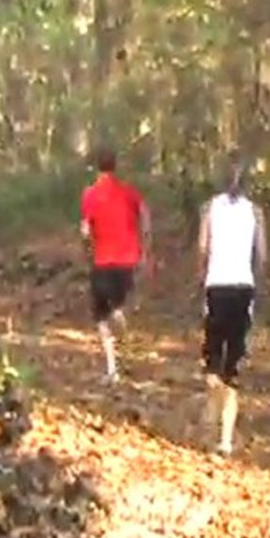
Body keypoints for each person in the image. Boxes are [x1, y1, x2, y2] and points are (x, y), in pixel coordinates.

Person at [197, 153, 267, 456]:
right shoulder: (256, 212)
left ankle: (212, 415)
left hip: (216, 287)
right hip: (243, 288)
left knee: (212, 362)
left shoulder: (209, 208)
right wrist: (254, 278)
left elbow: (202, 247)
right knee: (234, 365)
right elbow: (263, 254)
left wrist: (202, 276)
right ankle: (225, 439)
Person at [80, 146, 152, 384]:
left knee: (101, 317)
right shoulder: (128, 192)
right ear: (115, 165)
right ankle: (125, 332)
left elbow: (85, 230)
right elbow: (145, 214)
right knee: (117, 306)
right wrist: (144, 245)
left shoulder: (90, 194)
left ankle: (112, 369)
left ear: (96, 166)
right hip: (127, 260)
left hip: (103, 260)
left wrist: (87, 250)